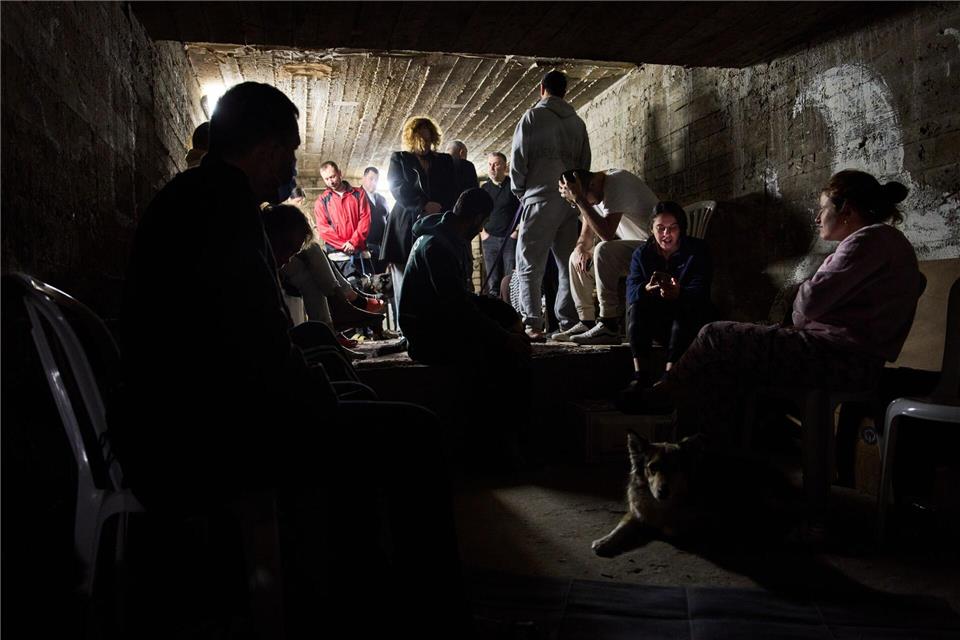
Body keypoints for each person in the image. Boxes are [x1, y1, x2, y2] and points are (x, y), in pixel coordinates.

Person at [117, 81, 469, 638]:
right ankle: (429, 607)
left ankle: (356, 582)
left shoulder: (193, 197)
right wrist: (322, 392)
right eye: (291, 152)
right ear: (268, 150)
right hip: (204, 436)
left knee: (348, 403)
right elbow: (260, 352)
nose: (291, 166)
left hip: (182, 413)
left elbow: (245, 334)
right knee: (414, 431)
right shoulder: (226, 211)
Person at [619, 170, 925, 447]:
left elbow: (805, 305)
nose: (818, 218)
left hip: (839, 358)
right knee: (729, 368)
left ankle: (666, 395)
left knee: (715, 335)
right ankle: (711, 449)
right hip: (849, 357)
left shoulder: (866, 242)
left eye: (823, 209)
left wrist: (806, 292)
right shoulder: (882, 242)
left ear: (846, 210)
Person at [399, 188, 533, 468]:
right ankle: (494, 445)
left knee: (502, 319)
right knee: (493, 353)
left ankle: (510, 437)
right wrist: (503, 337)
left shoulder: (451, 237)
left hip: (441, 320)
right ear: (477, 219)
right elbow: (457, 307)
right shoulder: (436, 246)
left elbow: (462, 299)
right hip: (427, 335)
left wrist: (505, 315)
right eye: (482, 223)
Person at [510, 70, 591, 340]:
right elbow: (584, 165)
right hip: (569, 202)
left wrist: (521, 191)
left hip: (539, 197)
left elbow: (519, 161)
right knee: (566, 265)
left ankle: (532, 323)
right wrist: (575, 196)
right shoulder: (577, 123)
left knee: (529, 264)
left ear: (541, 88)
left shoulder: (532, 117)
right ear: (565, 92)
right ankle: (567, 322)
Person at [551, 168, 660, 345]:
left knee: (603, 249)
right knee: (575, 257)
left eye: (583, 198)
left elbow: (607, 234)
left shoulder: (617, 183)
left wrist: (579, 199)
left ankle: (609, 325)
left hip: (655, 249)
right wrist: (580, 248)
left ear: (591, 184)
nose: (583, 204)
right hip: (634, 251)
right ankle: (586, 321)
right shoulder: (593, 194)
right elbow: (586, 236)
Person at [624, 202, 714, 385]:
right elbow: (631, 290)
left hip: (688, 319)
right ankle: (640, 375)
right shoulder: (642, 254)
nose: (666, 234)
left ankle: (669, 377)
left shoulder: (697, 251)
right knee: (637, 308)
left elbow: (701, 289)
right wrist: (646, 289)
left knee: (685, 311)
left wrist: (679, 292)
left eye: (672, 228)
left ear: (681, 229)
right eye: (660, 228)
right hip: (656, 320)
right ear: (651, 229)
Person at [380, 116, 460, 311]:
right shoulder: (399, 158)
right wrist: (423, 205)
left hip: (436, 221)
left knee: (434, 274)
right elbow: (397, 187)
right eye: (420, 139)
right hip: (405, 223)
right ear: (411, 138)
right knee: (403, 278)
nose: (425, 144)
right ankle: (405, 331)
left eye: (428, 138)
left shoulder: (444, 160)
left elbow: (452, 188)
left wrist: (439, 206)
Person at [314, 160, 372, 279]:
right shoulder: (321, 201)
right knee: (349, 292)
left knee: (371, 286)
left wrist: (353, 242)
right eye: (326, 179)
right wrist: (344, 245)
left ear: (340, 173)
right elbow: (324, 229)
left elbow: (365, 219)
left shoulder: (359, 193)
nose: (331, 181)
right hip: (338, 257)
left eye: (333, 176)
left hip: (360, 253)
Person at [480, 152, 521, 297]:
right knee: (493, 281)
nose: (492, 168)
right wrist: (483, 233)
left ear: (504, 166)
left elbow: (522, 209)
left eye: (496, 164)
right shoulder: (484, 189)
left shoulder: (513, 186)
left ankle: (511, 312)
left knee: (509, 279)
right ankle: (494, 313)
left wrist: (516, 231)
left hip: (510, 239)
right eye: (490, 164)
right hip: (489, 240)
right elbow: (479, 212)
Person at [361, 166, 390, 273]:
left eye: (376, 180)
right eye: (371, 179)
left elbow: (389, 221)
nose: (374, 182)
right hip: (366, 247)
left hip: (382, 247)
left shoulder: (382, 199)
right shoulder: (356, 197)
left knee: (384, 278)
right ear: (363, 178)